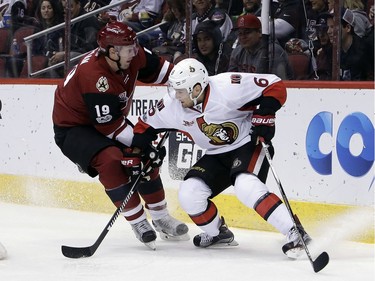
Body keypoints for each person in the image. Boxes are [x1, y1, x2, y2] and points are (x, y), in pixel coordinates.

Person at [130, 58, 312, 257]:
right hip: (215, 154)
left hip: (247, 143)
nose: (175, 95)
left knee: (245, 185)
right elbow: (144, 127)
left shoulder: (228, 87)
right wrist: (141, 152)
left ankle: (295, 232)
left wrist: (266, 112)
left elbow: (274, 84)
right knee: (189, 194)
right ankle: (218, 234)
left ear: (196, 88)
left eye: (180, 90)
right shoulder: (172, 105)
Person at [52, 21, 189, 250]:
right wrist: (142, 143)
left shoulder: (131, 54)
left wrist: (196, 83)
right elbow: (110, 129)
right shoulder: (94, 76)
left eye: (134, 47)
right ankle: (138, 223)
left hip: (107, 119)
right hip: (74, 129)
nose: (134, 52)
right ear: (112, 52)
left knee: (145, 157)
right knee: (112, 160)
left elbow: (169, 73)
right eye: (128, 49)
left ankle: (161, 217)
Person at [228, 14, 293, 80]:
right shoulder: (237, 52)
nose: (243, 37)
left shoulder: (273, 51)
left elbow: (276, 82)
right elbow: (231, 79)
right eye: (240, 33)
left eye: (247, 32)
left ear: (259, 32)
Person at [48, 0, 101, 77]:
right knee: (53, 61)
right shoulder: (68, 21)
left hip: (91, 58)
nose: (67, 10)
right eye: (65, 8)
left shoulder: (88, 20)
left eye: (71, 6)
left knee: (71, 57)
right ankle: (57, 86)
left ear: (78, 5)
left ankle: (71, 85)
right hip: (72, 54)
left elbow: (91, 48)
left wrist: (64, 54)